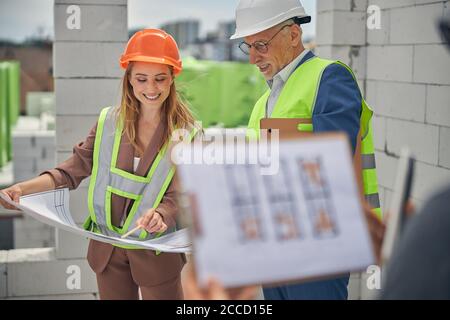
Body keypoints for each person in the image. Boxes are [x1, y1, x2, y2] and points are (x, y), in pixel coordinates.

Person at [0, 29, 197, 300]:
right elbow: (71, 171)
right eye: (141, 79)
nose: (151, 88)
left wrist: (161, 214)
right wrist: (24, 189)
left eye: (160, 79)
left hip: (155, 253)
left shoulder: (185, 133)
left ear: (172, 77)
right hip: (109, 251)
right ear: (128, 78)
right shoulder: (108, 124)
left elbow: (179, 192)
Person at [230, 0, 381, 300]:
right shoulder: (264, 103)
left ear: (293, 35)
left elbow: (330, 166)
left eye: (261, 44)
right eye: (248, 47)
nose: (254, 58)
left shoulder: (328, 77)